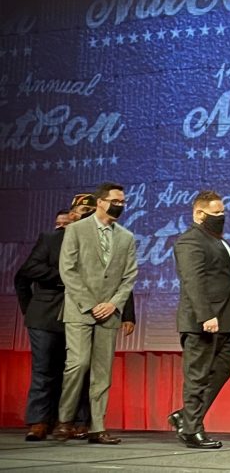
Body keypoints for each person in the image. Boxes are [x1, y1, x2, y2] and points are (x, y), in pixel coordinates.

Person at [52, 183, 138, 445]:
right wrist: (91, 304)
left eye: (123, 202)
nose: (120, 205)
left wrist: (113, 304)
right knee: (78, 364)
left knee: (103, 371)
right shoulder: (77, 230)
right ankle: (65, 419)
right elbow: (67, 269)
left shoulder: (126, 237)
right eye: (115, 200)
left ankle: (97, 426)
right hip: (80, 310)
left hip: (109, 313)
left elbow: (129, 276)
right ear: (100, 202)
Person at [15, 199, 96, 441]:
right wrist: (64, 279)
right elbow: (28, 272)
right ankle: (40, 421)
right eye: (82, 212)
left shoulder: (99, 242)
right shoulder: (51, 239)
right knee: (44, 369)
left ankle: (77, 421)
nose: (85, 216)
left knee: (78, 368)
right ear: (72, 216)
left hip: (82, 313)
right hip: (47, 313)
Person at [168, 191, 230, 449]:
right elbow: (193, 281)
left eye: (223, 213)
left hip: (226, 320)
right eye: (216, 213)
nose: (221, 217)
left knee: (222, 370)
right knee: (197, 376)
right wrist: (206, 315)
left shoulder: (220, 241)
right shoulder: (190, 241)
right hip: (203, 321)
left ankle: (184, 416)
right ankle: (192, 429)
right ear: (199, 213)